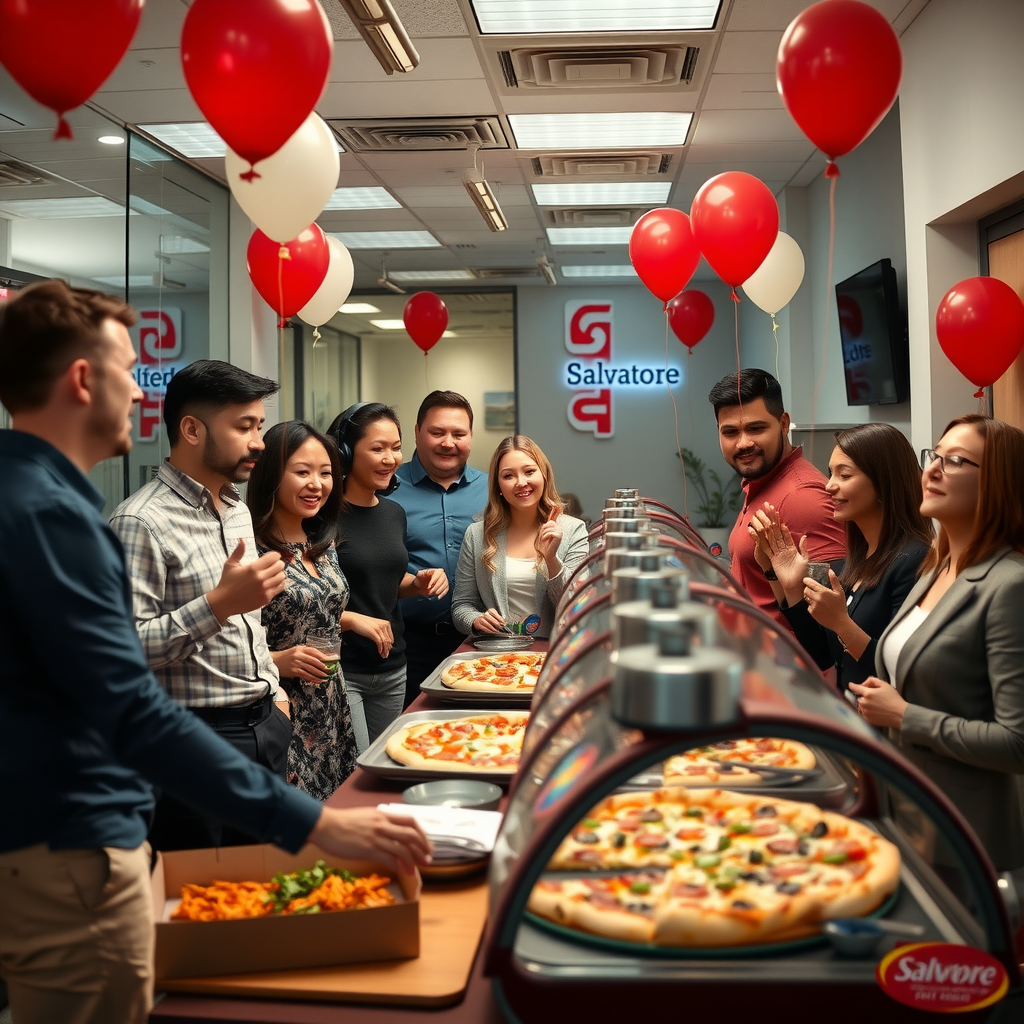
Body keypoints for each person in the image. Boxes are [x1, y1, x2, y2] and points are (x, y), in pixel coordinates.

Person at [0, 281, 430, 1024]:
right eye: (129, 369)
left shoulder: (42, 493)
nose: (140, 390)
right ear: (80, 380)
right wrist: (320, 825)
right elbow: (130, 702)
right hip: (71, 837)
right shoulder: (51, 513)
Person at [109, 359, 294, 852]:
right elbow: (124, 649)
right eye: (244, 427)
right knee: (205, 902)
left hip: (264, 724)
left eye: (259, 425)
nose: (259, 441)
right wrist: (216, 606)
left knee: (265, 886)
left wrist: (274, 696)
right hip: (192, 739)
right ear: (191, 429)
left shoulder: (237, 508)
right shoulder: (139, 522)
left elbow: (249, 626)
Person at [851, 414, 1024, 871]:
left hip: (965, 835)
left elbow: (1017, 742)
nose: (931, 470)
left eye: (956, 461)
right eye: (934, 456)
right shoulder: (935, 568)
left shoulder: (1009, 586)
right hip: (907, 812)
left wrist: (906, 716)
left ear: (999, 483)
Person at [748, 423, 933, 690]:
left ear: (883, 482)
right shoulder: (855, 561)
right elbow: (822, 654)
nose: (829, 486)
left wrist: (842, 624)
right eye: (830, 474)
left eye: (844, 475)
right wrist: (782, 581)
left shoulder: (914, 560)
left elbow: (904, 673)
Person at [247, 420, 358, 800]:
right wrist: (278, 659)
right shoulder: (252, 551)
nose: (317, 484)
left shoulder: (322, 546)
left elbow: (321, 612)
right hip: (281, 707)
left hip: (331, 700)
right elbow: (229, 636)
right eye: (302, 472)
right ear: (271, 477)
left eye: (326, 473)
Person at [327, 403, 448, 752]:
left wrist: (419, 583)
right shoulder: (323, 518)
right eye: (377, 448)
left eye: (395, 448)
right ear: (346, 453)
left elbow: (386, 585)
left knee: (387, 762)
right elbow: (307, 598)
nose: (390, 458)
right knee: (359, 769)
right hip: (344, 668)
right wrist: (354, 620)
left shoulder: (394, 513)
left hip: (394, 666)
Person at [708, 369, 845, 630]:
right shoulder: (762, 482)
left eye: (756, 428)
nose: (743, 443)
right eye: (730, 432)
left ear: (783, 423)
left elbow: (830, 627)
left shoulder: (803, 497)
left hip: (784, 666)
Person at [390, 390, 487, 705]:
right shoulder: (386, 487)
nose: (449, 442)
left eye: (459, 433)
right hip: (408, 644)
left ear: (471, 437)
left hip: (481, 640)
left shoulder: (494, 490)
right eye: (437, 432)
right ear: (417, 433)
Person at [451, 434, 589, 639]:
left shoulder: (573, 530)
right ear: (498, 487)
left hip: (554, 653)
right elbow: (461, 606)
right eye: (508, 476)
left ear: (544, 475)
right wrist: (476, 620)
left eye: (529, 471)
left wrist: (551, 560)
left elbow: (576, 604)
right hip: (498, 658)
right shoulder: (476, 534)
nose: (521, 482)